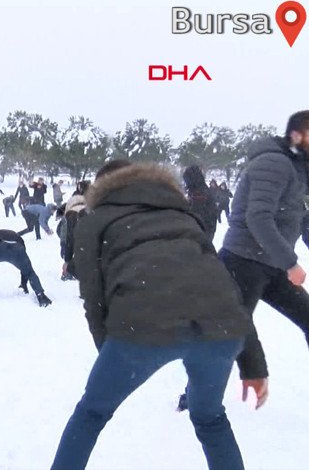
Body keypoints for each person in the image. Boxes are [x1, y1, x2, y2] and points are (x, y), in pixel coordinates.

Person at [50, 160, 251, 470]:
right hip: (222, 326)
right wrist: (250, 358)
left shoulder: (96, 220)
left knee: (91, 414)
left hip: (143, 324)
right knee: (211, 419)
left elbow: (93, 297)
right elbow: (223, 282)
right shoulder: (182, 215)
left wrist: (111, 353)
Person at [218, 110, 309, 402]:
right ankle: (194, 399)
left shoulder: (295, 165)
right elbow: (258, 218)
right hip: (243, 262)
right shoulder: (275, 163)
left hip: (268, 264)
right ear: (296, 135)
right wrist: (290, 263)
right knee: (230, 335)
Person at [0, 229, 52, 306]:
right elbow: (25, 265)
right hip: (16, 248)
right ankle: (41, 296)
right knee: (29, 272)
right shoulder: (18, 238)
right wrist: (23, 282)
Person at [183, 165, 218, 243]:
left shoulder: (199, 193)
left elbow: (196, 212)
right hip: (204, 230)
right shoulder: (203, 191)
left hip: (199, 232)